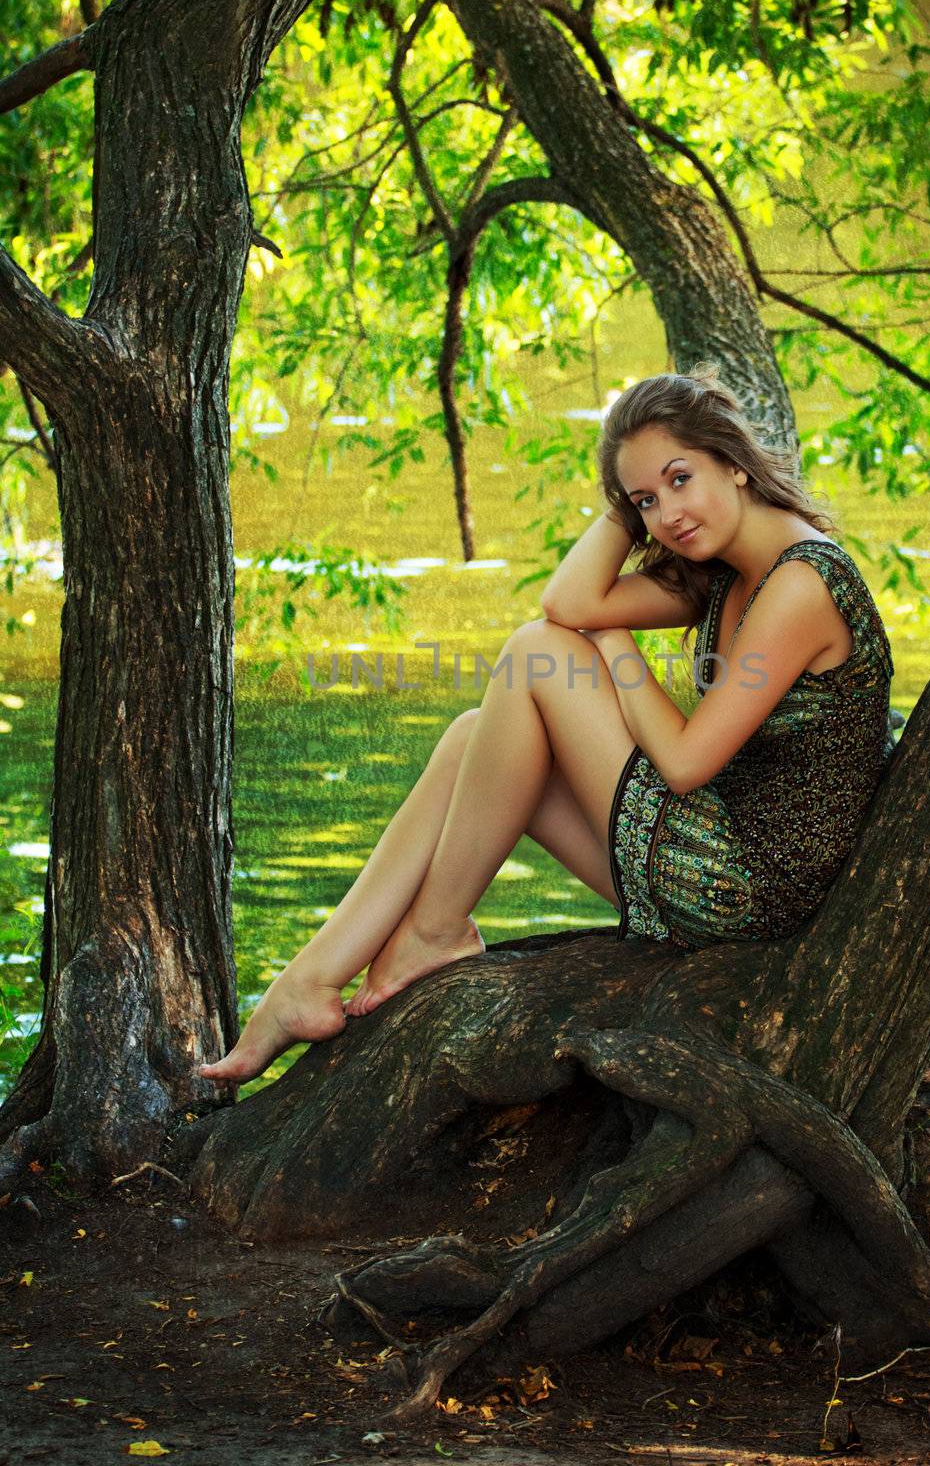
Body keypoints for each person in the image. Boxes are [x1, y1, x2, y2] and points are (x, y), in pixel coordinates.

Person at [199, 361, 894, 1085]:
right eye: (646, 502)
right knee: (476, 736)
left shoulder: (800, 582)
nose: (668, 516)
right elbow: (568, 602)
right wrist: (624, 508)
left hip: (747, 890)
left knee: (534, 657)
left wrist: (617, 647)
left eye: (680, 478)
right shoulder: (725, 571)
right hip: (717, 859)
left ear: (735, 463)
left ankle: (433, 933)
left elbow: (686, 762)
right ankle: (308, 982)